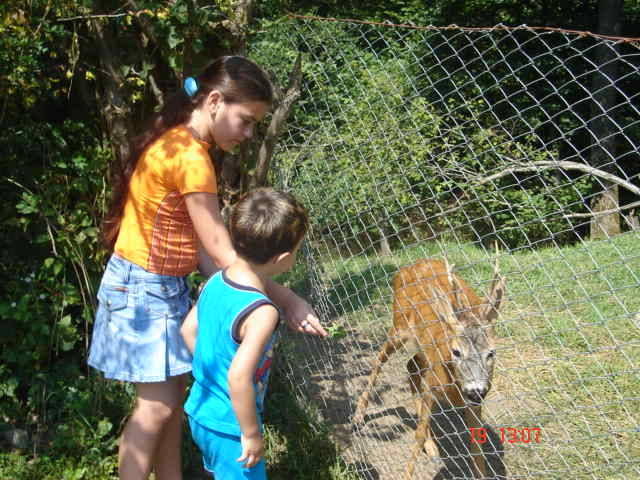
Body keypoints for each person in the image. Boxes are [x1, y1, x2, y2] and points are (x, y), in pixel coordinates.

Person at [87, 56, 327, 480]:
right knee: (155, 410)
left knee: (170, 404)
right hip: (145, 289)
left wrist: (232, 285)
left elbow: (198, 244)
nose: (249, 133)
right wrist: (285, 297)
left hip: (155, 284)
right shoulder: (191, 158)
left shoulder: (184, 142)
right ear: (215, 101)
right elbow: (218, 247)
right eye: (246, 120)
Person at [181, 188, 312, 480]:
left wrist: (210, 376)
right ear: (283, 258)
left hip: (201, 410)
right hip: (232, 427)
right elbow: (238, 377)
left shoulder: (215, 281)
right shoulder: (262, 311)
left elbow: (188, 330)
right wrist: (251, 433)